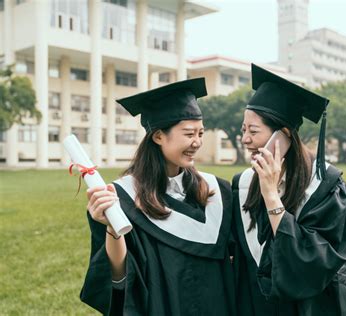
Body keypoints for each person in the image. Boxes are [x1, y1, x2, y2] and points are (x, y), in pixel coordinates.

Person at [80, 78, 235, 315]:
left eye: (200, 133)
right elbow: (122, 277)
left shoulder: (217, 191)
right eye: (188, 133)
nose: (197, 142)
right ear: (158, 136)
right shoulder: (122, 198)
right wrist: (112, 227)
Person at [231, 64, 346, 315]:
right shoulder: (243, 182)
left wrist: (271, 195)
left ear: (283, 135)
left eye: (253, 131)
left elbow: (317, 260)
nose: (245, 139)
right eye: (243, 130)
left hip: (311, 306)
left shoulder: (326, 185)